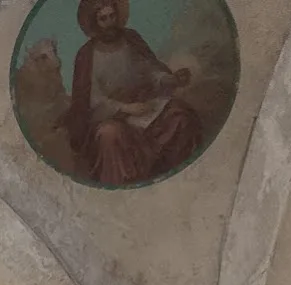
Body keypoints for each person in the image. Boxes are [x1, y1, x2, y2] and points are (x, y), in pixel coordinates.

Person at [62, 0, 203, 186]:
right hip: (111, 116)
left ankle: (176, 177)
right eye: (103, 19)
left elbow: (149, 71)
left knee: (181, 114)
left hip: (145, 106)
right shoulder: (87, 56)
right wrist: (126, 108)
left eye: (112, 16)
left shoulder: (131, 39)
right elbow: (92, 100)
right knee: (108, 135)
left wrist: (170, 80)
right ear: (95, 23)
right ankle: (121, 186)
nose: (110, 22)